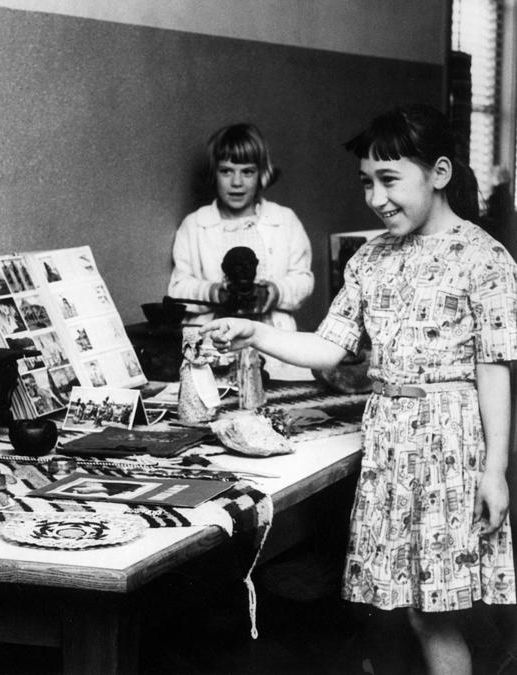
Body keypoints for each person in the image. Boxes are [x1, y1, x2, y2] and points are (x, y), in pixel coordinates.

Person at [201, 104, 517, 675]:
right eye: (367, 182)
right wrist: (255, 332)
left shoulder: (484, 257)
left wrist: (495, 471)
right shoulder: (369, 258)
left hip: (450, 450)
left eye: (390, 180)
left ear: (439, 173)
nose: (375, 198)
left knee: (435, 613)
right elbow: (328, 348)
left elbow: (494, 370)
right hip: (388, 448)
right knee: (392, 607)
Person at [167, 123, 314, 332]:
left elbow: (303, 279)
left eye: (247, 172)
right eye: (226, 171)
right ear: (213, 173)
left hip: (272, 336)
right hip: (215, 335)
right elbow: (178, 287)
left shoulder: (284, 220)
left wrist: (276, 292)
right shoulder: (194, 225)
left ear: (261, 173)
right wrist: (212, 292)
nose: (237, 182)